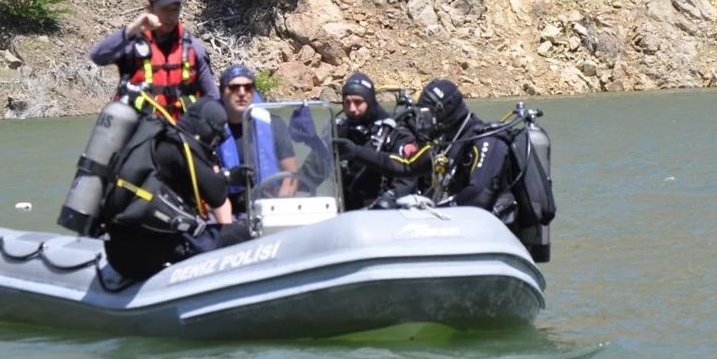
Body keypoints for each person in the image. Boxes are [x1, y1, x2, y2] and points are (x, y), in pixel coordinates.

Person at [100, 98, 251, 280]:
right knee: (239, 233)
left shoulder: (158, 139)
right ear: (206, 128)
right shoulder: (183, 149)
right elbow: (217, 195)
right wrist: (230, 177)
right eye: (217, 136)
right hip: (146, 256)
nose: (215, 143)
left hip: (118, 251)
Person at [335, 79, 514, 217]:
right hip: (459, 224)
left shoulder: (485, 141)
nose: (425, 123)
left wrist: (436, 211)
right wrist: (356, 152)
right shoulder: (444, 143)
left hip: (494, 233)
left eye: (429, 115)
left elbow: (479, 193)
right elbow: (407, 165)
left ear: (445, 112)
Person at [90, 0, 219, 120]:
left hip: (180, 131)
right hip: (139, 131)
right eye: (164, 9)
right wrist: (132, 29)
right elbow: (98, 56)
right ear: (149, 9)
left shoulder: (194, 48)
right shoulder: (132, 45)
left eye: (175, 9)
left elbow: (212, 96)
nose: (170, 16)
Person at [217, 64, 298, 215]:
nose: (241, 93)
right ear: (222, 93)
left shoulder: (274, 124)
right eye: (234, 87)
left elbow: (291, 174)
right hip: (225, 211)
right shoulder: (210, 130)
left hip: (267, 209)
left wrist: (280, 206)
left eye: (248, 87)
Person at [336, 72, 418, 210]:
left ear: (369, 101)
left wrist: (387, 202)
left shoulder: (395, 132)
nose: (352, 109)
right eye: (347, 103)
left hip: (384, 214)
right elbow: (315, 171)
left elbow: (407, 177)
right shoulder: (340, 131)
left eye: (357, 102)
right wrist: (313, 141)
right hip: (346, 212)